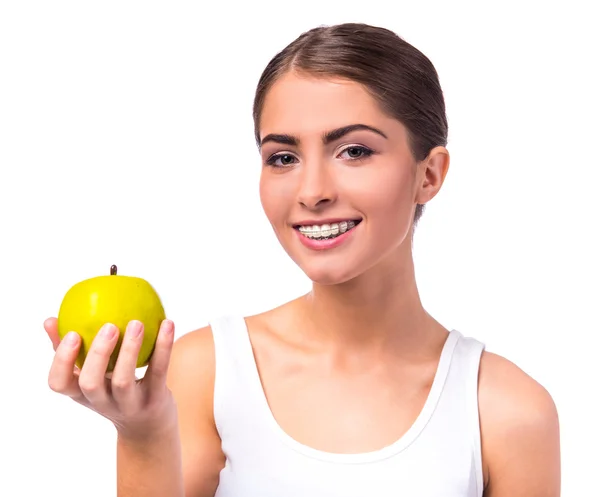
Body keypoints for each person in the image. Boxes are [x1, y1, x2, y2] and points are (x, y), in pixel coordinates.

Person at [44, 22, 561, 497]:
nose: (312, 192)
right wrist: (143, 432)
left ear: (429, 175)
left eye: (354, 151)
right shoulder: (204, 373)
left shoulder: (507, 412)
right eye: (283, 158)